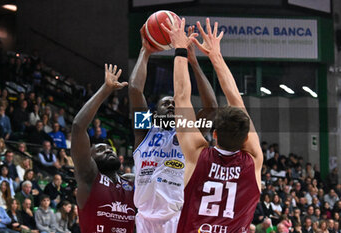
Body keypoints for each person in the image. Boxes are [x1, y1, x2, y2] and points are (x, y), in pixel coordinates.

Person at [162, 17, 263, 232]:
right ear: (246, 138)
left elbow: (181, 98)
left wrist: (181, 51)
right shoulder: (253, 161)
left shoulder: (197, 155)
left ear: (214, 134)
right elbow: (237, 101)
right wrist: (215, 57)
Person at [128, 23, 217, 233]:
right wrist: (145, 51)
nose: (171, 105)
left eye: (175, 104)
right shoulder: (145, 131)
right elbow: (134, 89)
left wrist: (193, 62)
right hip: (144, 220)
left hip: (179, 217)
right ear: (155, 112)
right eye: (165, 103)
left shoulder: (189, 132)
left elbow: (211, 108)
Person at [71, 64, 135, 233]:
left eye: (110, 148)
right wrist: (106, 90)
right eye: (100, 149)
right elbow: (78, 126)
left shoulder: (131, 182)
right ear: (90, 159)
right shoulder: (89, 177)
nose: (107, 150)